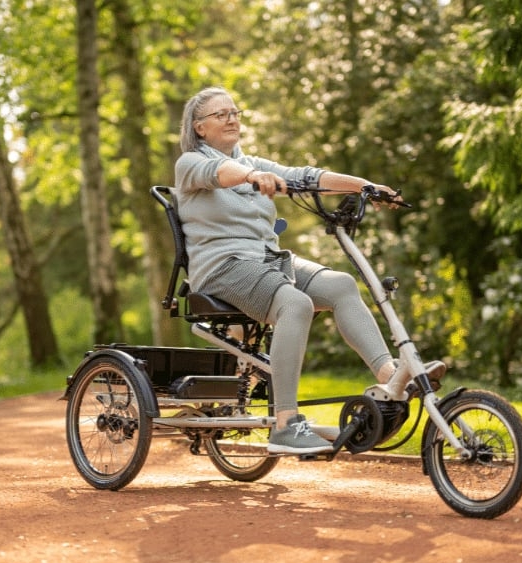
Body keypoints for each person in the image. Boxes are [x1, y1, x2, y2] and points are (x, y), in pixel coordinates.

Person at [174, 86, 444, 454]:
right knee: (295, 305)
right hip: (223, 267)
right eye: (221, 114)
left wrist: (365, 187)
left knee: (341, 285)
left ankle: (389, 375)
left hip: (266, 260)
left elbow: (305, 175)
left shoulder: (253, 163)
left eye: (235, 112)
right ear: (199, 127)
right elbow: (221, 171)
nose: (232, 118)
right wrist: (251, 175)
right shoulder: (190, 163)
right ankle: (286, 424)